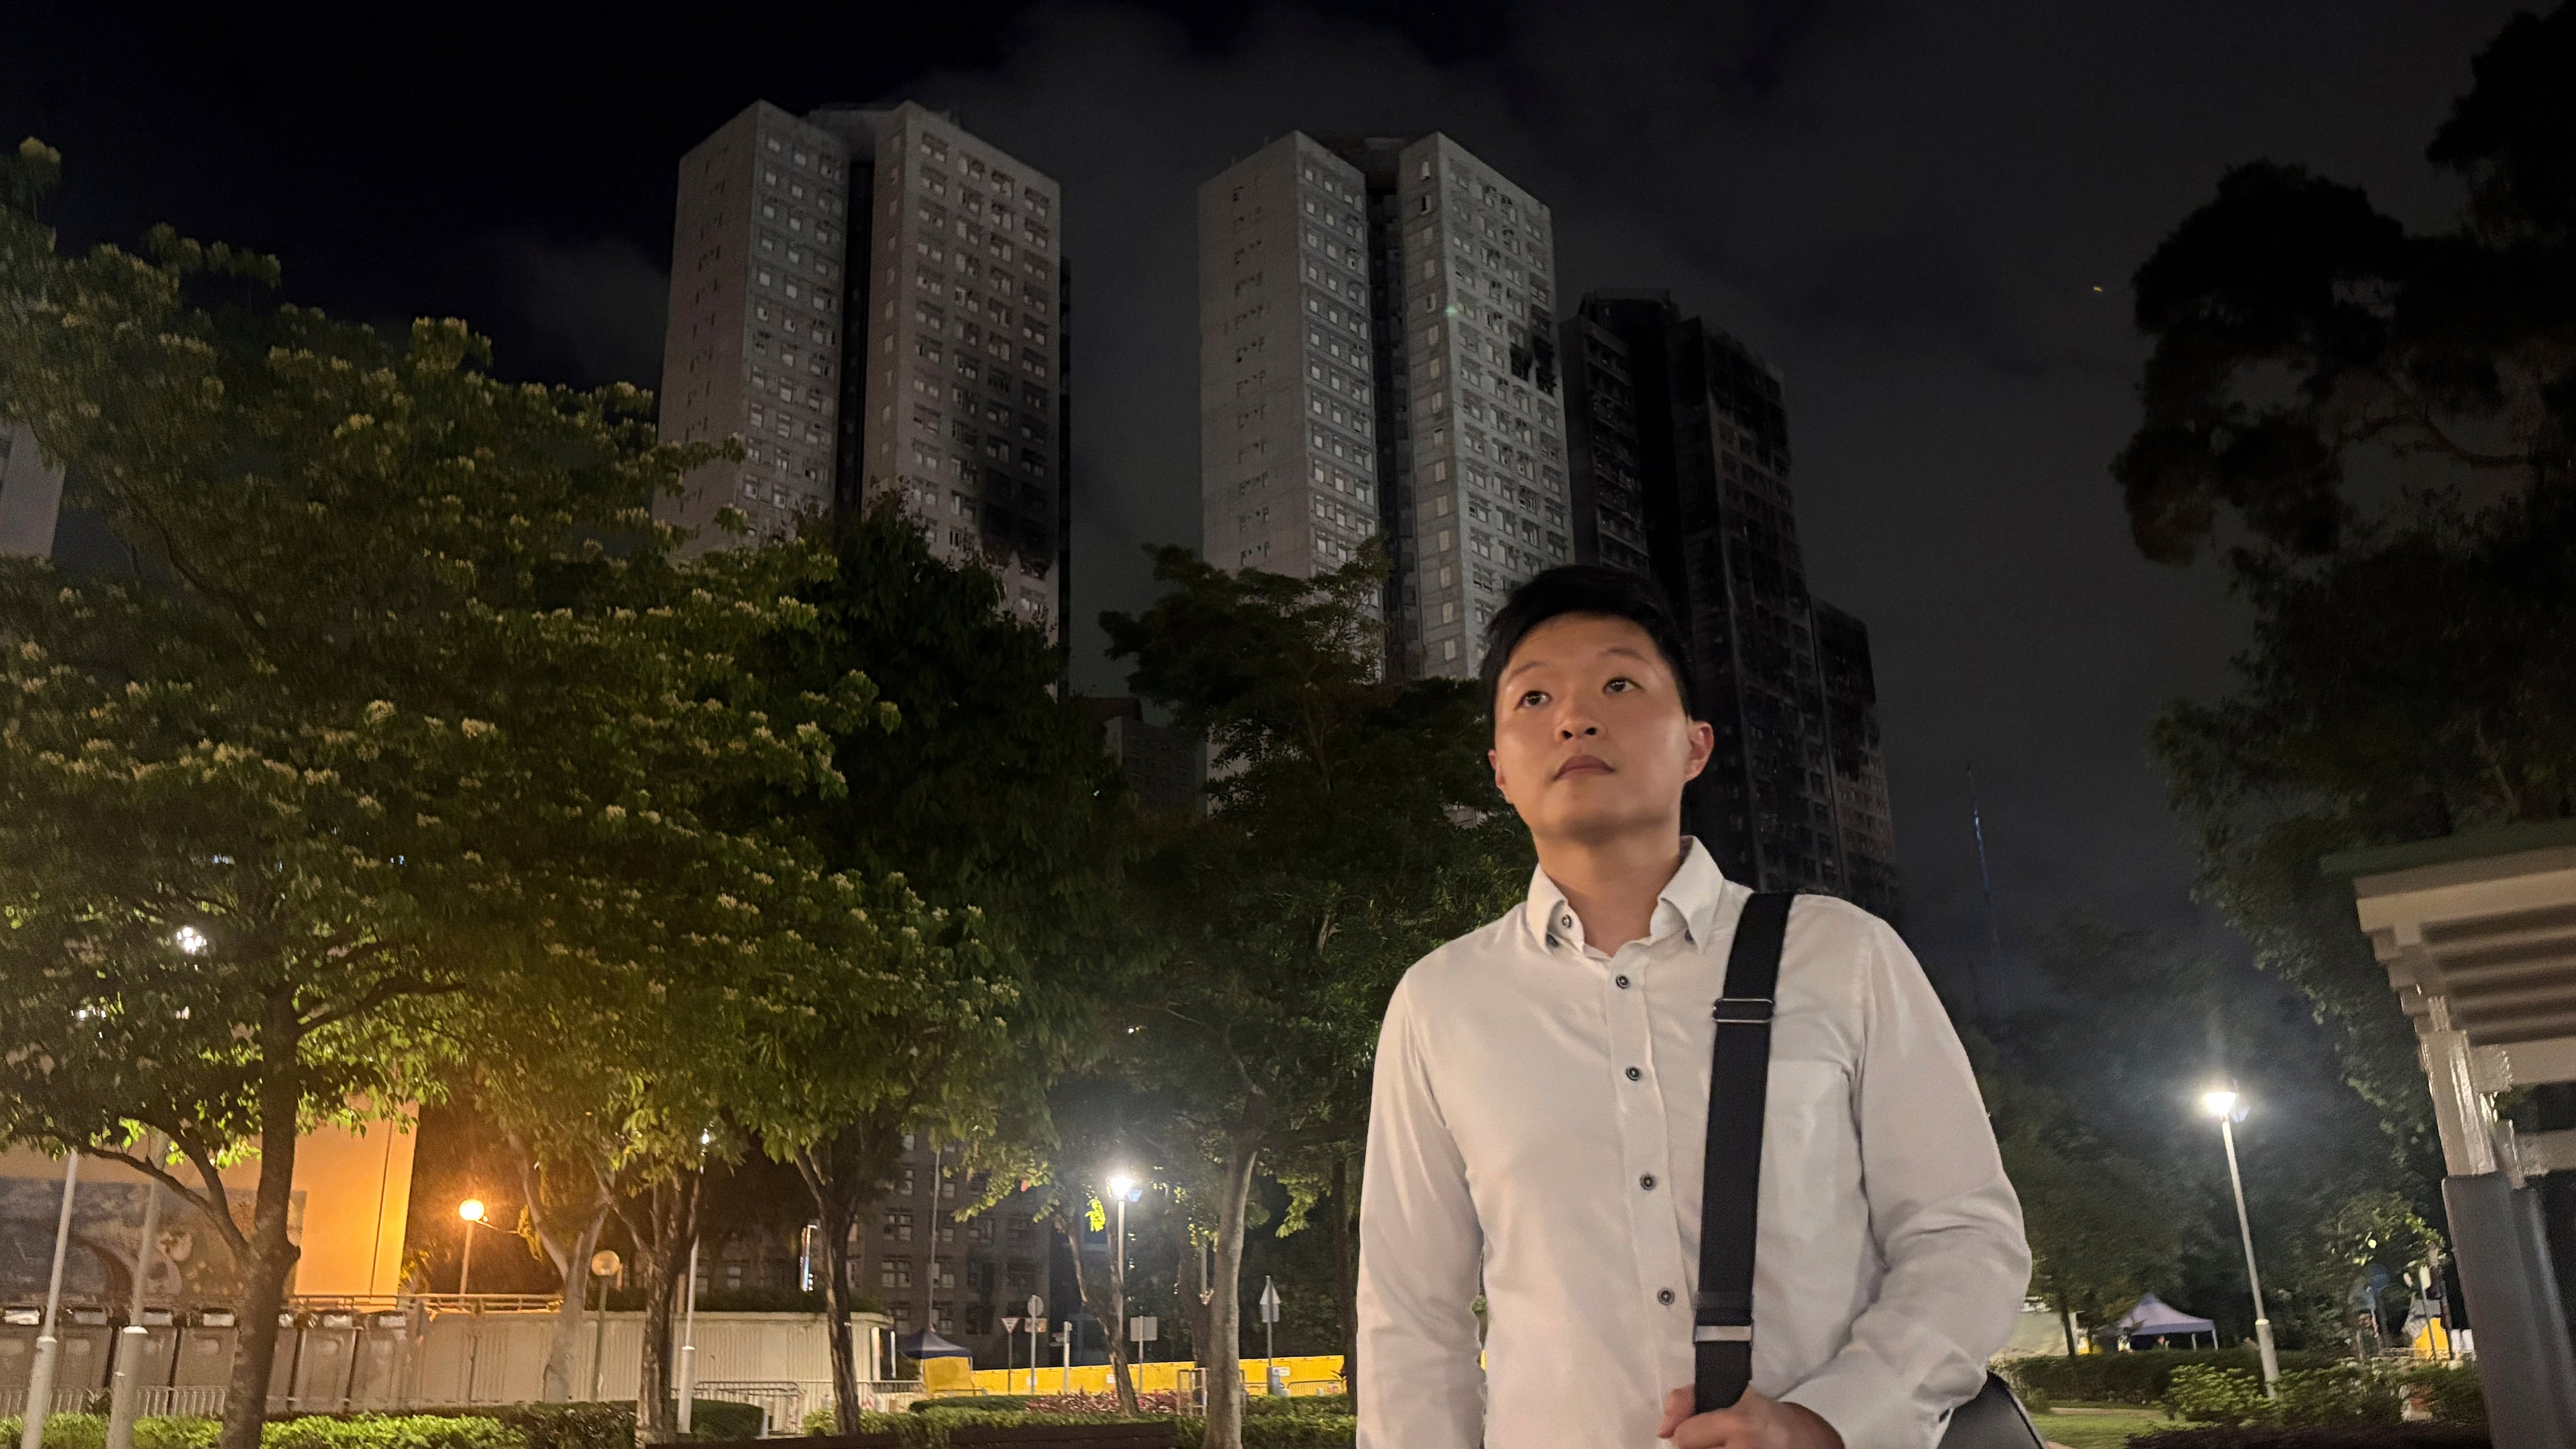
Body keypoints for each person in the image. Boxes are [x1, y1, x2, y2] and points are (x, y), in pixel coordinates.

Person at [1356, 566, 2029, 1449]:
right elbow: (1412, 1320)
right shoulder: (1441, 1003)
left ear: (1696, 746)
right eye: (1534, 698)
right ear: (1499, 772)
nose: (1575, 716)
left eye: (1620, 683)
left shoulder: (1842, 958)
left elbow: (1963, 1234)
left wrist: (1831, 1421)